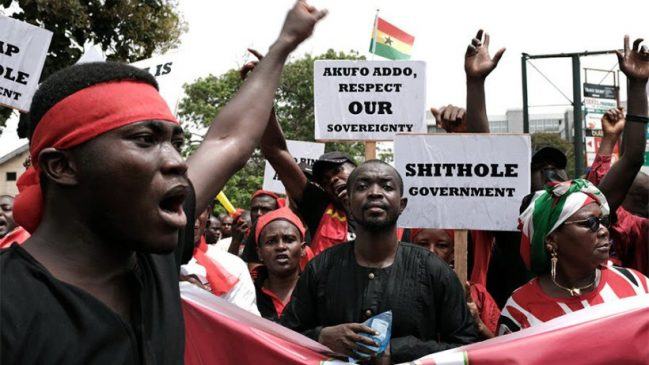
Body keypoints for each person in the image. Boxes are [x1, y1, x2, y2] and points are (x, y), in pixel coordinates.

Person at [0, 2, 326, 363]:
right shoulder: (9, 303)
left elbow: (228, 140)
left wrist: (284, 45)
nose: (176, 161)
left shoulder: (154, 259)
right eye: (145, 139)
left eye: (177, 143)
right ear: (61, 166)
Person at [281, 160, 479, 363]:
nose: (375, 192)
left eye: (386, 186)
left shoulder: (434, 270)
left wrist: (400, 350)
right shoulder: (320, 268)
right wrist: (321, 337)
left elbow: (466, 349)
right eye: (362, 186)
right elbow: (282, 338)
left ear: (402, 205)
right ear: (348, 202)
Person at [499, 179, 649, 334]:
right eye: (590, 222)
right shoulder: (519, 309)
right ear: (551, 240)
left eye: (603, 221)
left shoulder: (635, 284)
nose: (604, 231)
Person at [586, 108, 649, 275]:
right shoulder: (602, 222)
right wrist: (609, 137)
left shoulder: (631, 227)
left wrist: (610, 138)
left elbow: (633, 159)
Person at [410, 228, 500, 339]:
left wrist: (479, 324)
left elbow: (505, 350)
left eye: (441, 245)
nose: (431, 252)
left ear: (453, 253)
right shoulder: (398, 288)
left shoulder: (477, 295)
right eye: (423, 244)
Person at [181, 209, 260, 315]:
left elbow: (245, 325)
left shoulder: (234, 266)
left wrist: (205, 302)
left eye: (200, 208)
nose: (192, 217)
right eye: (180, 205)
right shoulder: (151, 266)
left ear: (208, 213)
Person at [252, 206, 306, 322]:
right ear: (259, 253)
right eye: (271, 241)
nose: (281, 247)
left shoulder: (318, 292)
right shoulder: (248, 293)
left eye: (289, 239)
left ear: (302, 249)